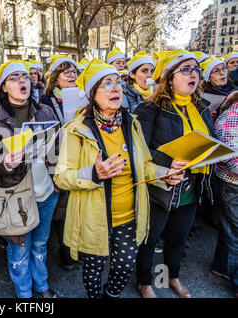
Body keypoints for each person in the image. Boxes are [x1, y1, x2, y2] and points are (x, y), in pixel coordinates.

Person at [53, 58, 182, 299]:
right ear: (92, 94)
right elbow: (61, 177)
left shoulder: (131, 123)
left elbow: (144, 165)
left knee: (123, 268)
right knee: (93, 269)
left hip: (130, 215)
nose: (116, 88)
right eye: (107, 84)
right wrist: (94, 173)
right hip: (95, 217)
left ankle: (110, 295)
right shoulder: (76, 130)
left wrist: (166, 174)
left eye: (118, 83)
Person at [134, 49, 215, 298]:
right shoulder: (149, 109)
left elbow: (208, 141)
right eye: (186, 69)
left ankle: (173, 277)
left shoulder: (202, 108)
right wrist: (166, 168)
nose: (194, 74)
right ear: (169, 78)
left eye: (196, 70)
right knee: (151, 238)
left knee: (178, 238)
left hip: (192, 186)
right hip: (161, 187)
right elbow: (142, 150)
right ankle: (145, 282)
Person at [0, 60, 60, 298]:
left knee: (41, 245)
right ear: (3, 87)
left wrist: (56, 183)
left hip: (46, 192)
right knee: (20, 249)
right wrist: (5, 163)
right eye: (14, 77)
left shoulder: (45, 110)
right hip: (14, 195)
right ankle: (24, 294)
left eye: (24, 76)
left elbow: (57, 146)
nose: (22, 80)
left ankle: (41, 285)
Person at [39, 55, 78, 271]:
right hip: (57, 162)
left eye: (74, 71)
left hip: (79, 160)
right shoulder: (45, 102)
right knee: (62, 210)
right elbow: (45, 140)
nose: (72, 75)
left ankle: (76, 248)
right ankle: (66, 253)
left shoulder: (84, 97)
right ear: (55, 78)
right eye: (66, 72)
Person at [211, 93, 238, 298]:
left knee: (230, 229)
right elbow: (229, 155)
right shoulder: (232, 116)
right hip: (232, 184)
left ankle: (221, 266)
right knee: (235, 235)